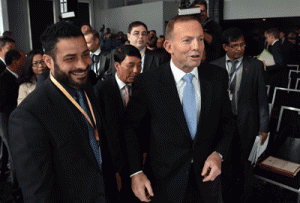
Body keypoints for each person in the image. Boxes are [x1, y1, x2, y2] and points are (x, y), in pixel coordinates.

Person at [123, 15, 234, 203]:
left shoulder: (217, 77)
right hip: (164, 183)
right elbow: (130, 129)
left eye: (200, 39)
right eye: (187, 40)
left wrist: (218, 154)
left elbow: (228, 122)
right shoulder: (148, 82)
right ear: (168, 46)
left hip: (207, 181)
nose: (197, 47)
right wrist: (135, 172)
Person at [8, 21, 120, 202]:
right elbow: (38, 194)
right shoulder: (28, 116)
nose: (83, 65)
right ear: (48, 61)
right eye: (70, 58)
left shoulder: (87, 87)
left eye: (85, 54)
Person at [211, 27, 269, 203]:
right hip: (223, 128)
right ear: (225, 47)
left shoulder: (255, 66)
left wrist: (264, 128)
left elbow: (262, 100)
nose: (240, 49)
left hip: (248, 125)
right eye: (235, 45)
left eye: (242, 45)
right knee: (226, 167)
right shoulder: (214, 66)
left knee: (246, 168)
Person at [94, 44, 142, 203]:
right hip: (113, 163)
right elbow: (101, 133)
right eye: (131, 65)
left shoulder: (143, 87)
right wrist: (113, 169)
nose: (136, 70)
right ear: (116, 65)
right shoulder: (101, 91)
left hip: (140, 160)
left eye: (139, 65)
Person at [0, 49, 25, 183]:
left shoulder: (18, 77)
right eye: (23, 58)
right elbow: (3, 105)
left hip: (15, 120)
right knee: (14, 154)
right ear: (15, 61)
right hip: (7, 121)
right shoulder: (3, 79)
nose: (25, 60)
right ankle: (16, 187)